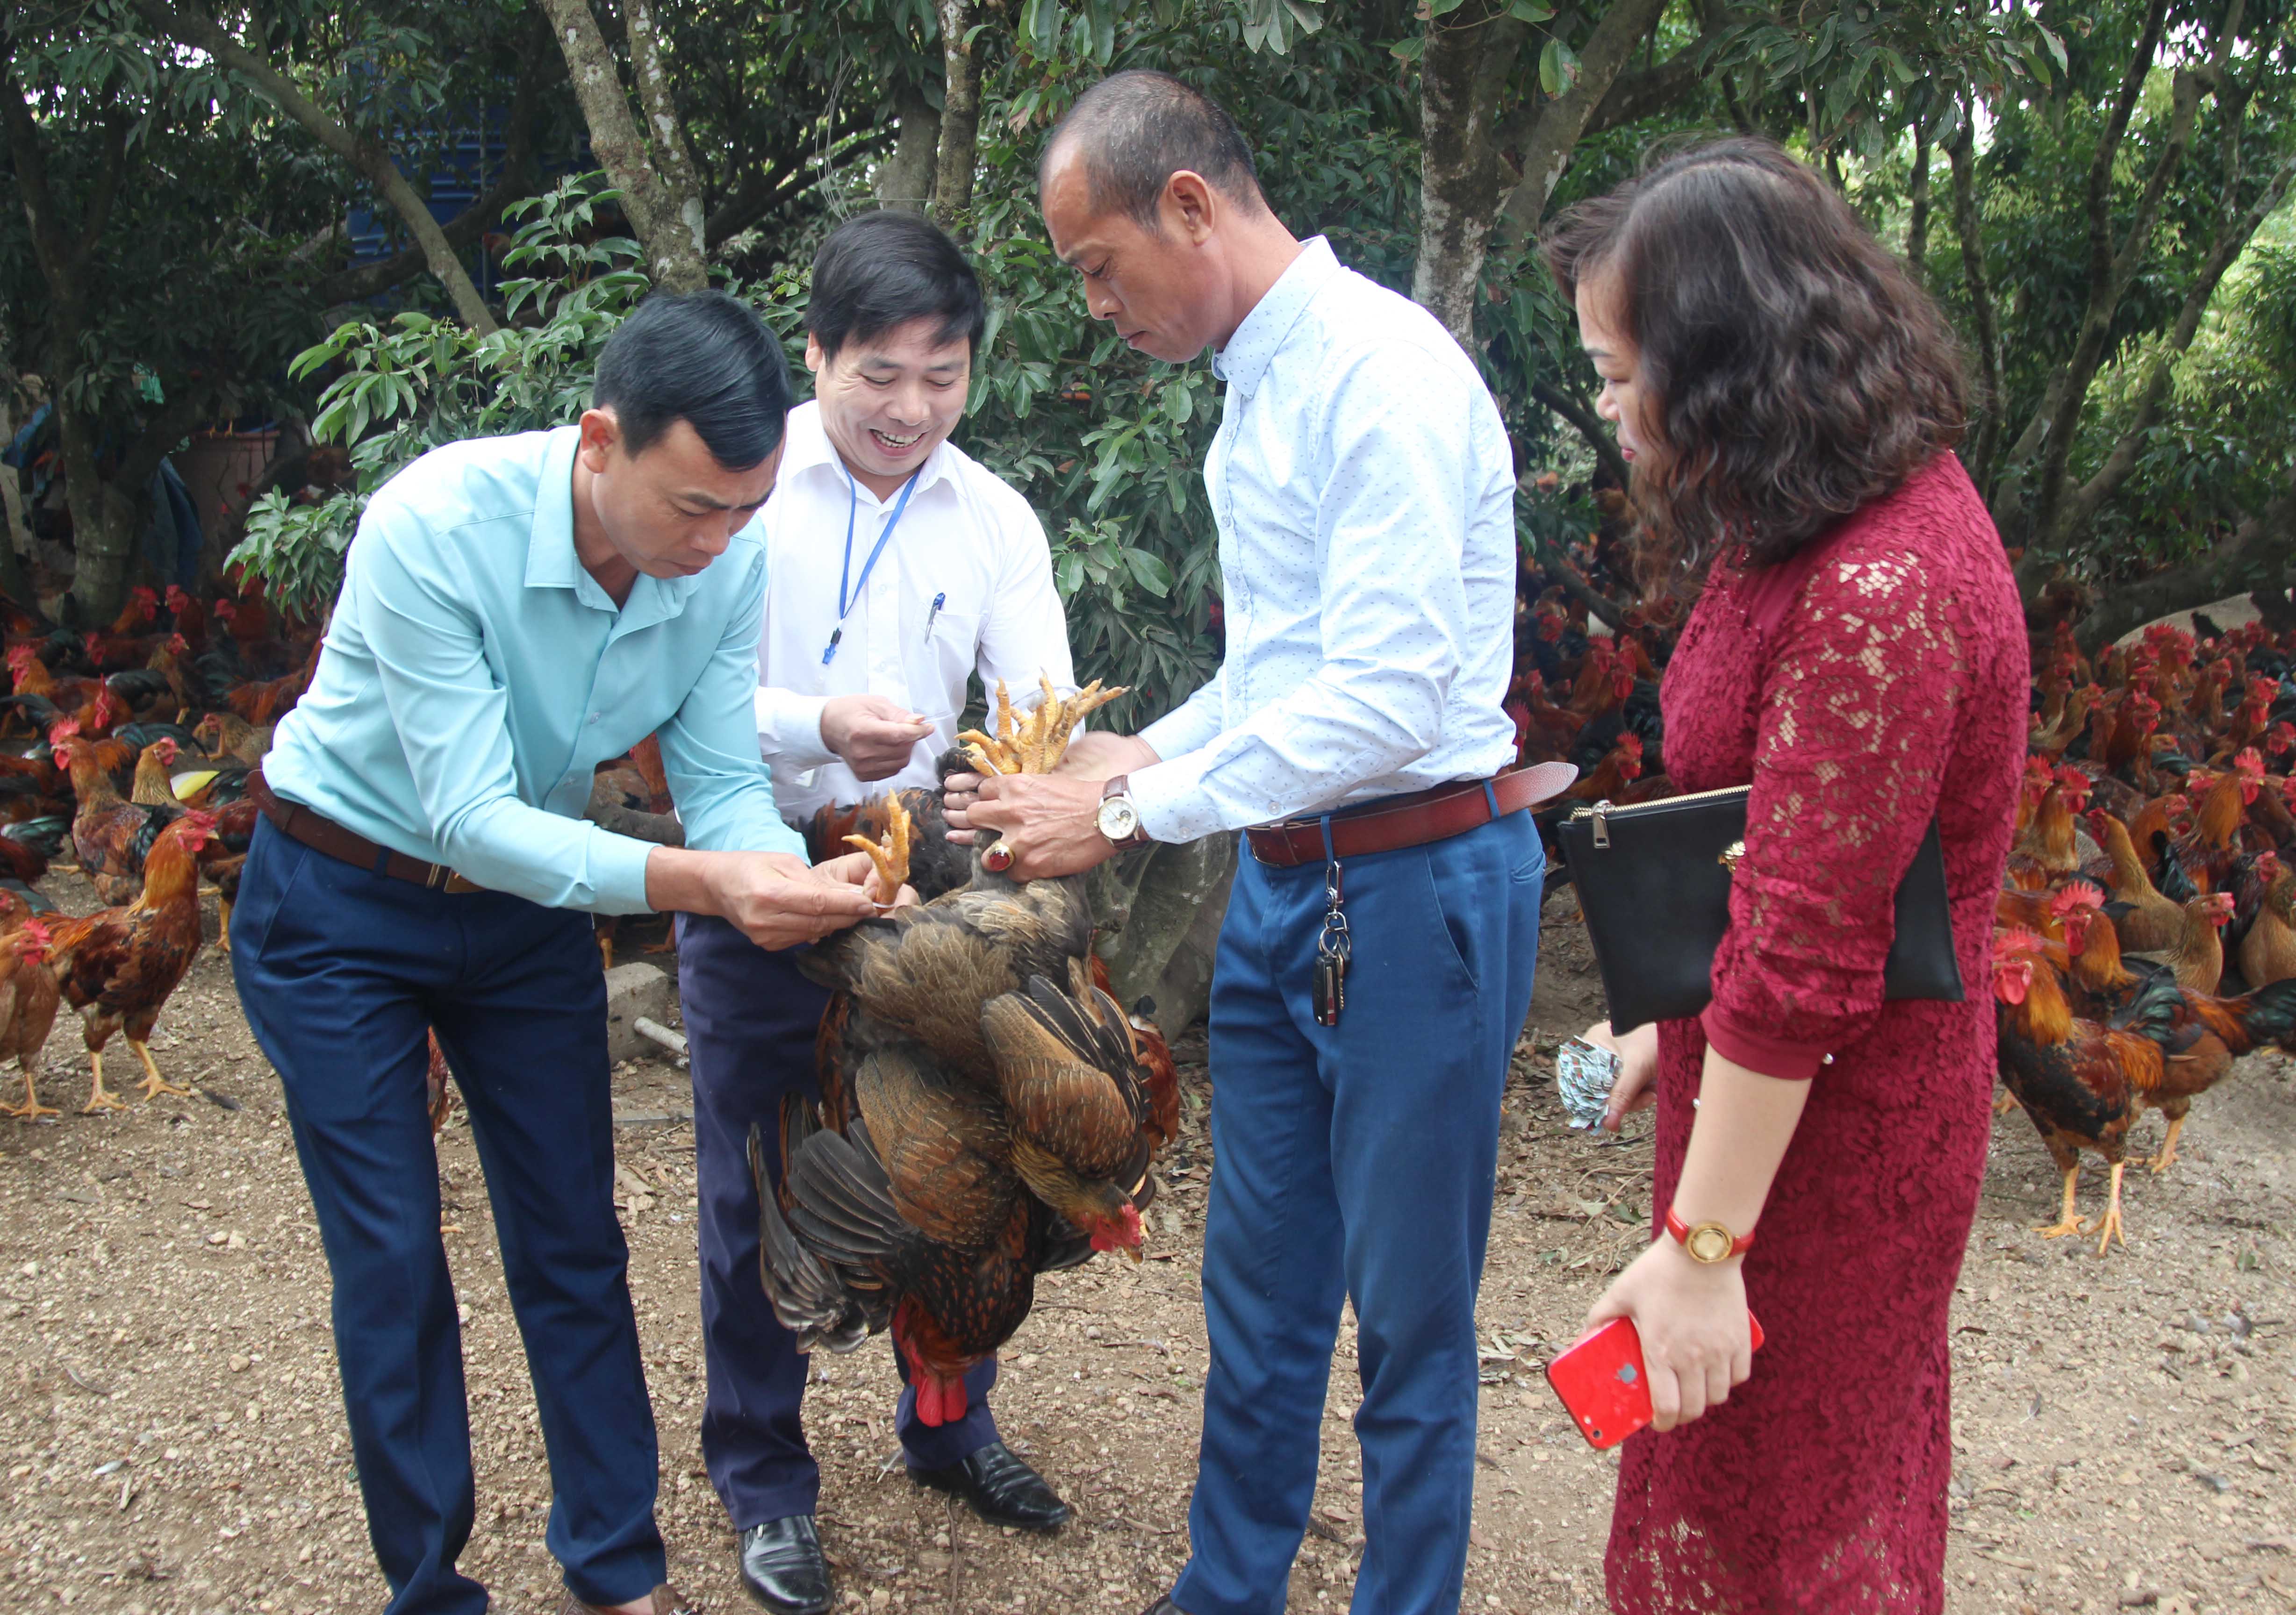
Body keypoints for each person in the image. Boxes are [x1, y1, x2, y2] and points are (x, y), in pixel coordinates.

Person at [947, 70, 1564, 1615]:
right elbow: (1290, 664)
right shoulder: (1259, 389)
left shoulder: (1383, 377)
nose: (1097, 305)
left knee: (1412, 1312)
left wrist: (1130, 808)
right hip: (1299, 889)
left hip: (1419, 884)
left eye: (1099, 267)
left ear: (1191, 206)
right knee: (1261, 1284)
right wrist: (1143, 742)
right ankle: (1229, 1589)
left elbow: (1394, 691)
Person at [233, 289, 894, 1615]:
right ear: (601, 440)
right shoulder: (434, 525)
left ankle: (614, 1569)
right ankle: (429, 1588)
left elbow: (717, 785)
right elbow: (473, 817)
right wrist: (704, 881)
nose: (718, 544)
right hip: (340, 901)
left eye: (747, 511)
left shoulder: (722, 562)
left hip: (526, 904)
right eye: (694, 508)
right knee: (395, 1255)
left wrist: (785, 873)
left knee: (573, 1239)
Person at [1547, 139, 2027, 1612]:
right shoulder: (1797, 526)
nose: (1613, 412)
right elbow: (1780, 836)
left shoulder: (1883, 586)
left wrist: (1704, 1247)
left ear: (1730, 364)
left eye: (1625, 376)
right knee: (1732, 1474)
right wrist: (1664, 1022)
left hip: (1835, 1132)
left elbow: (1813, 948)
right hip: (1762, 1098)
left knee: (1797, 1513)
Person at [673, 210, 1078, 1615]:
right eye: (880, 375)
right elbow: (669, 698)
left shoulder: (995, 516)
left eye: (944, 375)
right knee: (759, 1175)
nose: (912, 409)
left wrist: (1022, 791)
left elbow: (1037, 707)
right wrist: (814, 720)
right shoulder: (740, 491)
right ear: (817, 355)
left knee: (965, 1172)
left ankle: (951, 1424)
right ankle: (765, 1477)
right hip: (761, 865)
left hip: (932, 888)